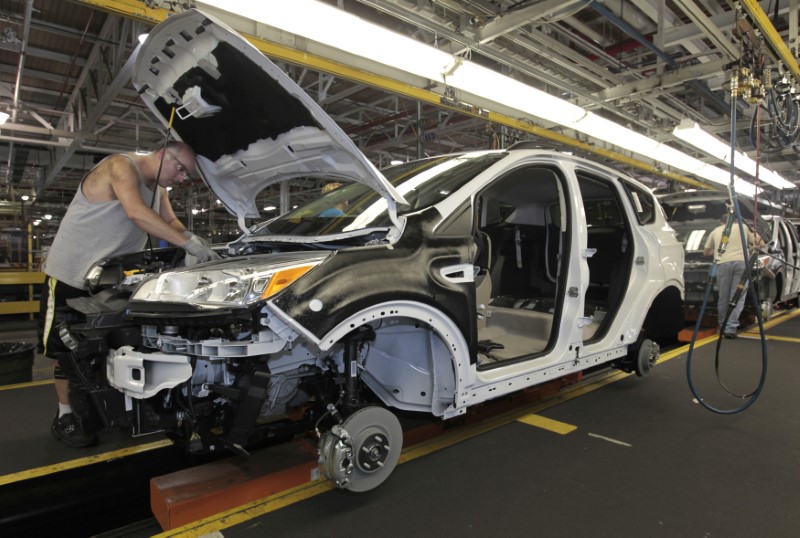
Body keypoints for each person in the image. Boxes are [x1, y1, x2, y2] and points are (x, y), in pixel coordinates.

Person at [39, 141, 220, 447]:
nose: (180, 179)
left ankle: (110, 407)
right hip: (70, 274)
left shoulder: (159, 187)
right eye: (180, 169)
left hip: (109, 280)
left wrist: (191, 237)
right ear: (163, 153)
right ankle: (65, 414)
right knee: (66, 348)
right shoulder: (120, 166)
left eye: (185, 176)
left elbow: (169, 220)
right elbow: (136, 213)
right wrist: (186, 245)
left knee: (106, 346)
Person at [703, 213, 762, 339]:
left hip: (722, 264)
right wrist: (751, 247)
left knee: (723, 298)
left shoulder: (715, 230)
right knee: (737, 297)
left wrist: (717, 250)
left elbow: (706, 252)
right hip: (741, 264)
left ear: (721, 222)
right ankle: (730, 328)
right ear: (735, 221)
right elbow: (760, 243)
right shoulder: (744, 228)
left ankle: (722, 327)